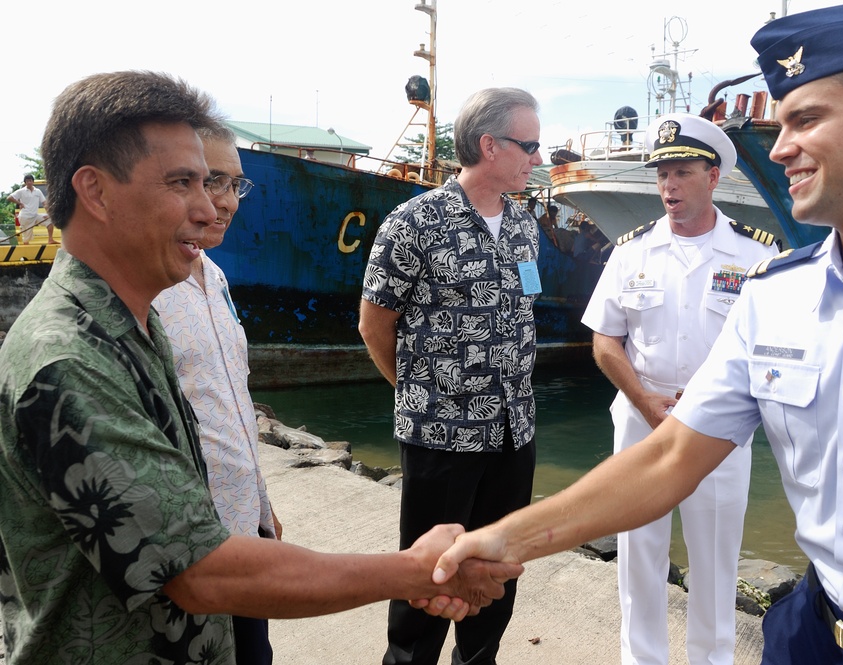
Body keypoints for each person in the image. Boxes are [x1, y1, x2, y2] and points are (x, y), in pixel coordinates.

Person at [427, 1, 843, 663]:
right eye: (782, 123)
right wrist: (507, 538)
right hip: (810, 636)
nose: (780, 148)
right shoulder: (775, 297)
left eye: (806, 118)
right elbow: (668, 459)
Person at [0, 70, 521, 665]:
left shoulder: (130, 319)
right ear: (95, 191)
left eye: (215, 182)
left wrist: (253, 502)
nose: (208, 208)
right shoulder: (70, 360)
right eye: (182, 183)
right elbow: (198, 573)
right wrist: (414, 572)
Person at [582, 113, 778, 665]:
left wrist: (716, 403)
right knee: (638, 552)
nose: (668, 184)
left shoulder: (754, 256)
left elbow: (768, 349)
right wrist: (643, 400)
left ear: (713, 177)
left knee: (715, 558)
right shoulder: (631, 252)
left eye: (682, 172)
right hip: (641, 419)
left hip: (718, 424)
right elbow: (604, 341)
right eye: (663, 173)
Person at [359, 87, 544, 665]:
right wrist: (419, 393)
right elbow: (374, 324)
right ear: (490, 146)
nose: (538, 158)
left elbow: (523, 308)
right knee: (428, 572)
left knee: (496, 570)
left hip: (515, 432)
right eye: (530, 145)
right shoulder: (414, 223)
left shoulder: (522, 225)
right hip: (442, 434)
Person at [152, 125, 281, 664]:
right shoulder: (147, 288)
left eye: (234, 184)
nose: (223, 201)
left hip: (244, 530)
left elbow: (229, 400)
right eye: (207, 181)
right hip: (190, 548)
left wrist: (263, 506)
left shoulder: (215, 275)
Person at [7, 174, 55, 244]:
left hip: (35, 215)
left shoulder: (37, 191)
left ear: (33, 181)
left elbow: (44, 203)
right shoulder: (21, 191)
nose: (29, 182)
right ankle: (26, 250)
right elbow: (9, 197)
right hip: (25, 216)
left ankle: (50, 239)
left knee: (49, 219)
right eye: (27, 181)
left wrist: (49, 213)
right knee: (26, 238)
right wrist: (19, 203)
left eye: (30, 180)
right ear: (25, 182)